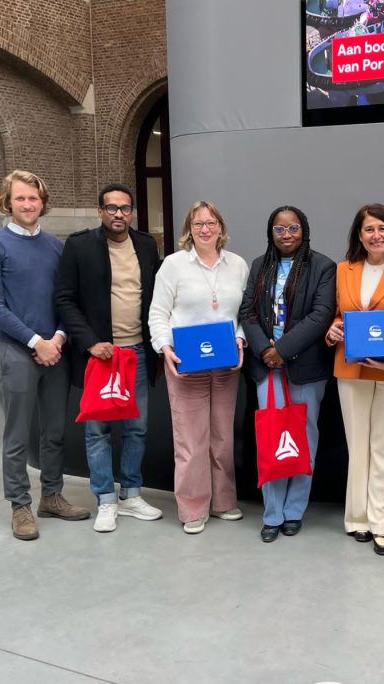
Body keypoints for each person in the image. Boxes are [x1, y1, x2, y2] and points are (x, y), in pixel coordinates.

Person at [0, 170, 89, 540]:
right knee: (18, 435)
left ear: (43, 202)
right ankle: (20, 505)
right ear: (8, 202)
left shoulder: (56, 247)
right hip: (17, 352)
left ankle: (52, 496)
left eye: (34, 198)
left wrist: (56, 338)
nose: (27, 204)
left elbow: (65, 299)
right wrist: (34, 342)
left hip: (54, 352)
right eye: (20, 198)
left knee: (55, 431)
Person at [55, 183, 163, 533]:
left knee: (137, 427)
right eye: (112, 208)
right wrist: (89, 342)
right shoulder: (79, 245)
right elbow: (65, 299)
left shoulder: (146, 245)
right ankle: (105, 498)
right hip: (99, 355)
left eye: (125, 208)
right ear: (101, 211)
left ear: (132, 212)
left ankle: (130, 493)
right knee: (97, 431)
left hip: (137, 352)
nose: (119, 214)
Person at [326, 203, 384, 556]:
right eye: (369, 229)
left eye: (382, 228)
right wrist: (332, 331)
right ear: (359, 235)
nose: (376, 235)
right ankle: (359, 518)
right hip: (351, 370)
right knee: (359, 447)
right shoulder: (343, 270)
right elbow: (338, 317)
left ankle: (383, 522)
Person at [149, 200, 249, 534]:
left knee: (222, 437)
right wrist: (165, 349)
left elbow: (243, 314)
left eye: (211, 223)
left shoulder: (237, 265)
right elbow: (158, 313)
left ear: (221, 227)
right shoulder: (173, 266)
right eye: (197, 224)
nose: (205, 229)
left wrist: (240, 338)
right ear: (188, 231)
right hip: (186, 363)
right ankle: (192, 508)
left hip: (225, 363)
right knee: (191, 440)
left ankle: (222, 502)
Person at [240, 206, 337, 543]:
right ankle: (272, 513)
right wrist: (264, 350)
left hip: (305, 367)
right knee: (271, 438)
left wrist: (282, 349)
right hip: (266, 367)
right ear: (271, 233)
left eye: (293, 228)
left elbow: (321, 314)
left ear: (303, 230)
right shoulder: (259, 265)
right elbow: (247, 311)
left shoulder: (323, 266)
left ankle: (295, 510)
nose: (286, 235)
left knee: (303, 438)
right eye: (279, 230)